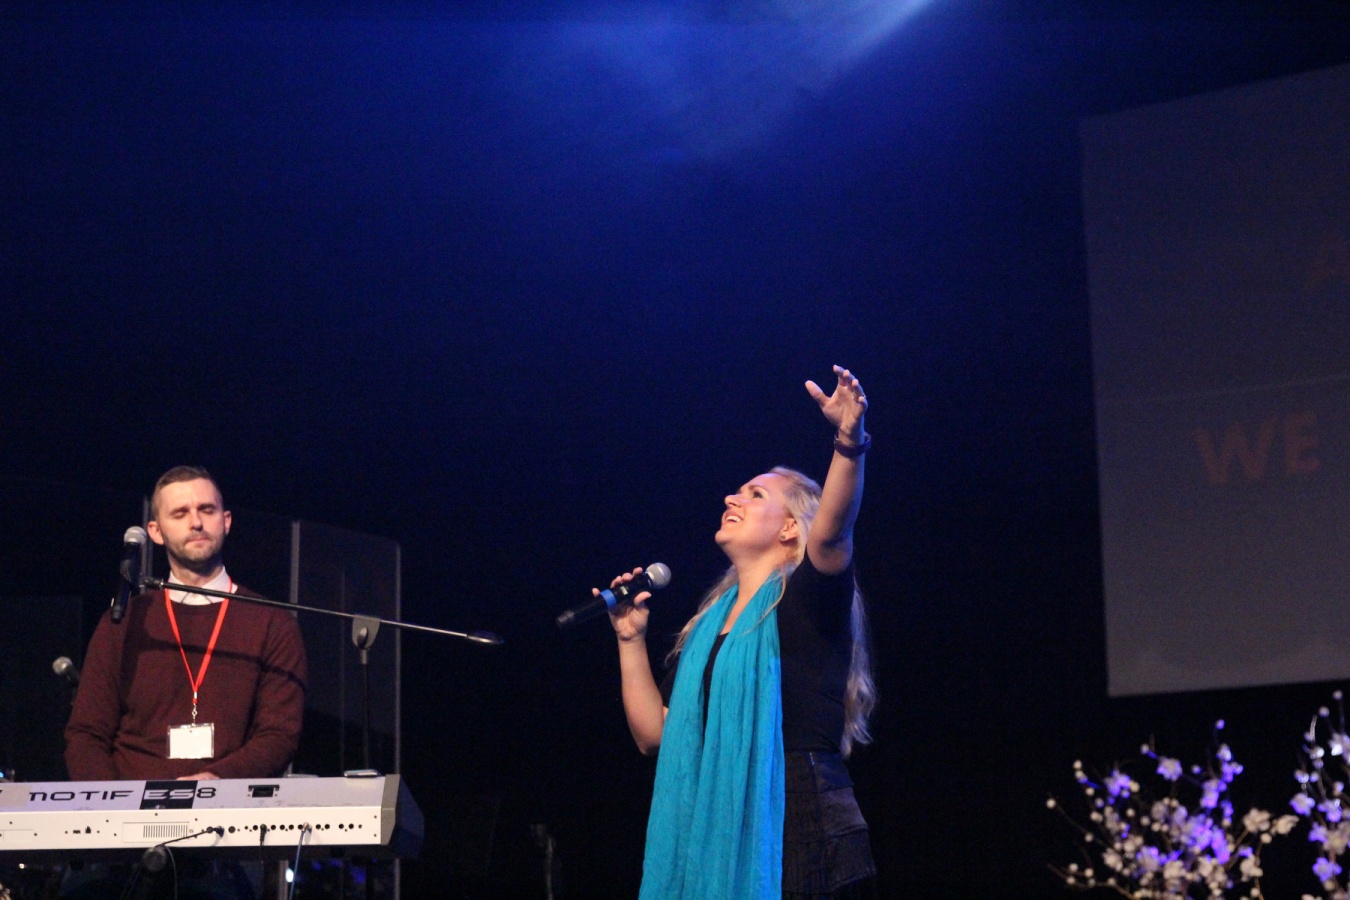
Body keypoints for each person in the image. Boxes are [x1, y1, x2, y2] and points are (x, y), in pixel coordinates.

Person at [606, 365, 877, 900]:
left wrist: (849, 442)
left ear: (790, 527)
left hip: (808, 831)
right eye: (736, 492)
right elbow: (654, 735)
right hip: (725, 831)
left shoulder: (808, 597)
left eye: (754, 495)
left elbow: (833, 532)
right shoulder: (710, 629)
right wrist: (630, 640)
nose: (732, 500)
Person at [65, 465, 307, 782]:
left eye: (206, 510)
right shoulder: (125, 619)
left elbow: (278, 735)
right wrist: (111, 802)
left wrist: (218, 780)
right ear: (156, 532)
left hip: (228, 802)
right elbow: (86, 733)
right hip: (130, 802)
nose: (196, 522)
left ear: (226, 521)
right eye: (180, 514)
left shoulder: (271, 622)